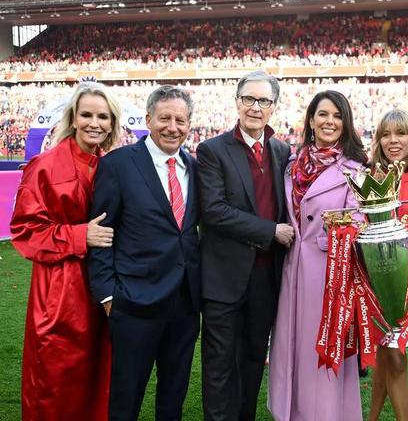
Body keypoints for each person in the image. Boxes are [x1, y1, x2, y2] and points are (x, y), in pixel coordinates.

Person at [88, 85, 201, 421]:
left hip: (184, 304)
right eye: (164, 118)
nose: (172, 127)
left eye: (180, 120)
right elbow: (101, 232)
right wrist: (108, 295)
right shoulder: (119, 164)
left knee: (173, 400)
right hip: (134, 304)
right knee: (125, 401)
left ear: (189, 124)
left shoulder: (195, 167)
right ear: (148, 119)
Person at [10, 82, 120, 420]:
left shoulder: (112, 166)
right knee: (53, 384)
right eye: (86, 115)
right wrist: (80, 235)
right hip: (58, 294)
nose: (94, 123)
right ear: (73, 118)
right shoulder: (44, 165)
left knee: (98, 378)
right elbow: (25, 231)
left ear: (112, 123)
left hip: (102, 290)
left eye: (103, 117)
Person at [196, 71, 294, 421]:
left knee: (253, 360)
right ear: (237, 102)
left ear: (273, 107)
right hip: (224, 278)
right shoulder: (212, 150)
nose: (255, 107)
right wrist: (271, 231)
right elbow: (214, 211)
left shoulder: (282, 151)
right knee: (219, 366)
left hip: (266, 279)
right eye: (248, 99)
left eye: (263, 101)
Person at [268, 90, 368, 421]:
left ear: (346, 124)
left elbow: (358, 224)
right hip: (291, 270)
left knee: (320, 353)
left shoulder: (354, 171)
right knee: (290, 349)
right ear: (311, 120)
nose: (330, 122)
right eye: (323, 114)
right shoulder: (290, 166)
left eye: (337, 116)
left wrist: (332, 236)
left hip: (329, 276)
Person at [366, 109, 408, 421]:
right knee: (393, 356)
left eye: (400, 133)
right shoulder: (372, 178)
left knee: (388, 356)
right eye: (386, 134)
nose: (393, 141)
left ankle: (372, 417)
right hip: (380, 284)